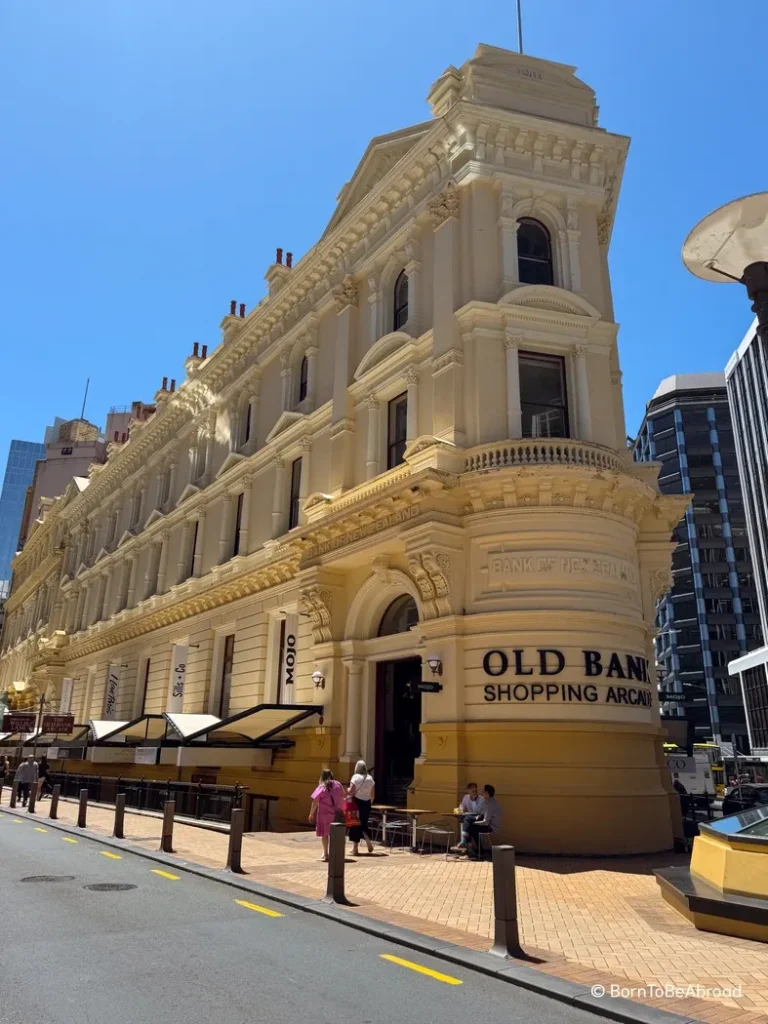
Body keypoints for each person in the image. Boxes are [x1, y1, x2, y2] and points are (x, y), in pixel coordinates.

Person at [309, 769, 345, 862]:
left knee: (325, 834)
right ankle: (335, 853)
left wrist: (311, 813)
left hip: (324, 814)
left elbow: (315, 801)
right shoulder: (338, 784)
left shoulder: (321, 787)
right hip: (336, 813)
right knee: (335, 833)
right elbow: (343, 796)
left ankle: (326, 853)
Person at [466, 784, 502, 860]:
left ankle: (473, 849)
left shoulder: (491, 804)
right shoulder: (487, 801)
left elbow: (485, 822)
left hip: (491, 827)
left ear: (487, 793)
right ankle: (478, 851)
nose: (481, 793)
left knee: (471, 828)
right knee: (470, 823)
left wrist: (475, 823)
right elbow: (480, 812)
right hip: (488, 823)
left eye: (483, 791)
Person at [347, 760, 375, 856]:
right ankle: (367, 837)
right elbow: (372, 795)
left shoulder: (355, 777)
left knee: (355, 824)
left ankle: (355, 848)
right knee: (363, 822)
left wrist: (347, 791)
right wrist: (369, 803)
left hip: (356, 803)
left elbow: (351, 791)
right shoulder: (370, 778)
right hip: (366, 803)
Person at [455, 782, 485, 851]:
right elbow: (462, 806)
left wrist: (474, 800)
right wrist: (461, 809)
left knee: (467, 819)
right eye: (472, 789)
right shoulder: (466, 797)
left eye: (475, 789)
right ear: (468, 790)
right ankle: (478, 849)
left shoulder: (481, 799)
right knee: (470, 826)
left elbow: (478, 811)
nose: (474, 790)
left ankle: (464, 841)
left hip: (480, 818)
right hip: (471, 819)